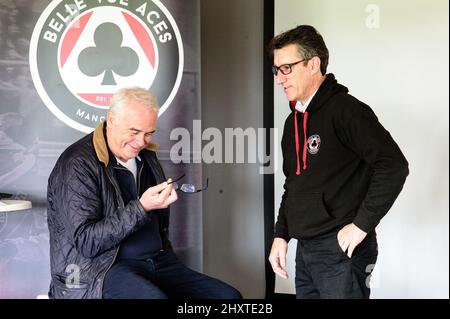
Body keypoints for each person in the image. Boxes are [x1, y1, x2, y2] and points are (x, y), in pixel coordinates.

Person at [47, 87, 242, 299]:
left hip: (158, 261)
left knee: (228, 297)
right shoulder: (77, 163)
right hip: (103, 269)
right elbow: (87, 242)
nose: (141, 142)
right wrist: (142, 207)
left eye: (148, 133)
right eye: (134, 132)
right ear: (111, 120)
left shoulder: (145, 156)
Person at [268, 25, 409, 299]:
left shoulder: (346, 111)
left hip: (340, 251)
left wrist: (361, 226)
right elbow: (293, 185)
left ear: (313, 64)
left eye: (286, 68)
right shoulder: (292, 122)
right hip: (306, 251)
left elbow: (393, 165)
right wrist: (281, 236)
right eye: (276, 70)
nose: (279, 79)